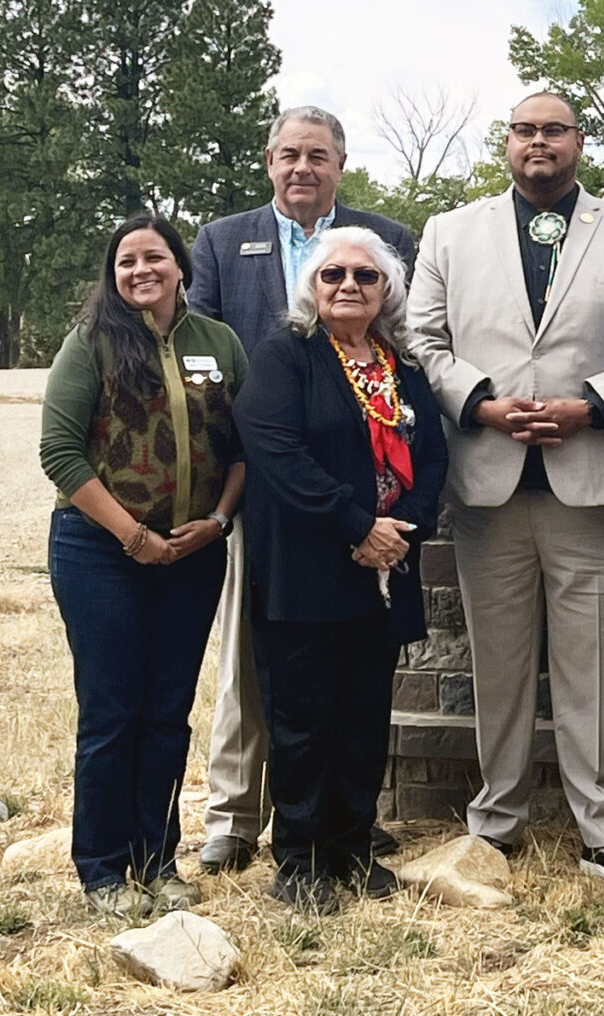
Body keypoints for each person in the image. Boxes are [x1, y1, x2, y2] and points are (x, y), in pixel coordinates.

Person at [403, 92, 604, 885]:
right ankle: (497, 816)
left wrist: (590, 406)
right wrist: (479, 402)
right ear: (508, 143)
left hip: (589, 478)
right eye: (525, 130)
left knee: (594, 660)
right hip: (489, 477)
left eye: (554, 130)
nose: (539, 143)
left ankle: (601, 822)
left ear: (579, 143)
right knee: (501, 661)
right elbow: (422, 338)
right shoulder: (451, 233)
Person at [185, 104, 417, 876]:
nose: (302, 167)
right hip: (266, 488)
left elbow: (427, 438)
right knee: (262, 673)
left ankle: (348, 834)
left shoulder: (383, 249)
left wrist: (393, 520)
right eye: (290, 154)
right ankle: (241, 819)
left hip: (367, 525)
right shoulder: (223, 243)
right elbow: (204, 357)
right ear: (268, 159)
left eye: (318, 155)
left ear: (339, 164)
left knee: (352, 693)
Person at [37, 214, 247, 920]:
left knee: (166, 713)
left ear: (180, 266)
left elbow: (246, 447)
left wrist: (216, 522)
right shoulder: (90, 343)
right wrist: (134, 537)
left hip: (193, 553)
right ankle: (102, 870)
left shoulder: (217, 343)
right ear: (113, 273)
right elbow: (59, 454)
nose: (139, 271)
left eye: (153, 258)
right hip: (101, 551)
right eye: (125, 262)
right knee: (112, 711)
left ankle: (158, 861)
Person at [233, 227, 447, 914]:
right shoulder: (285, 356)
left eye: (365, 275)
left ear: (387, 290)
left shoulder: (402, 365)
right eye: (333, 275)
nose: (348, 286)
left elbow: (434, 459)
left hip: (382, 572)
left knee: (363, 717)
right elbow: (278, 453)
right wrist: (358, 526)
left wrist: (398, 529)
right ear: (311, 287)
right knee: (302, 722)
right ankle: (299, 860)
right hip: (306, 572)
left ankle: (352, 850)